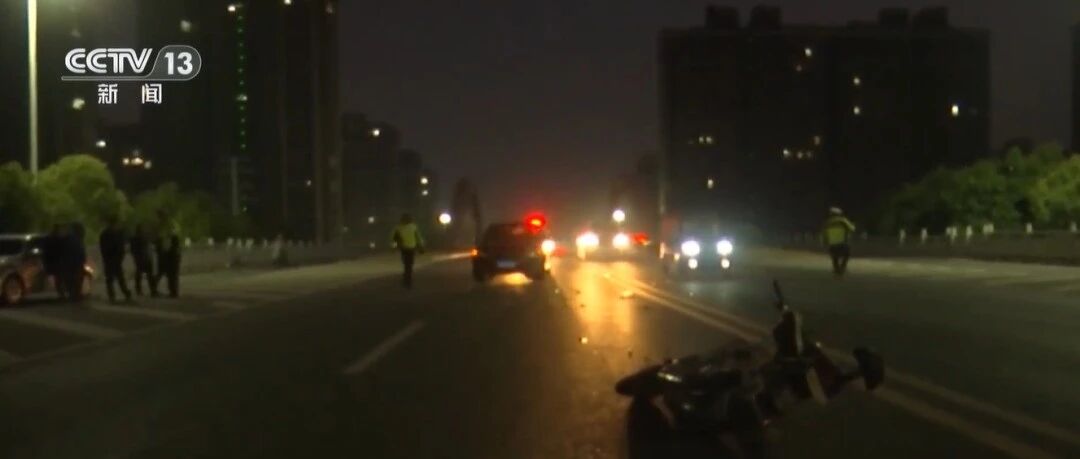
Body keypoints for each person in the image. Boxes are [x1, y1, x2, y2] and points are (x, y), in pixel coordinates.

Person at [99, 217, 132, 303]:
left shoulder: (116, 233)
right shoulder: (107, 234)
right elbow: (105, 248)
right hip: (111, 259)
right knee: (112, 278)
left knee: (117, 278)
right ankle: (115, 295)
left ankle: (123, 294)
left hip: (115, 259)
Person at [391, 213, 425, 289]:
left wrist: (393, 247)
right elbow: (418, 237)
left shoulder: (398, 228)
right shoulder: (413, 227)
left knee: (406, 264)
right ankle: (408, 278)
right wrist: (421, 247)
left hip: (404, 248)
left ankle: (406, 278)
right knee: (409, 264)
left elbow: (394, 239)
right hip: (411, 248)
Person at [153, 212, 182, 297]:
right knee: (172, 275)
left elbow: (165, 244)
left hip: (168, 256)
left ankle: (172, 291)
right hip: (170, 256)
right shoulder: (168, 227)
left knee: (169, 275)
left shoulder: (165, 228)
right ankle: (173, 291)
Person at [821, 207, 856, 276]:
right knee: (847, 255)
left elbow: (824, 233)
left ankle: (836, 270)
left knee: (834, 257)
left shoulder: (828, 222)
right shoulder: (842, 220)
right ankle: (842, 268)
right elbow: (852, 229)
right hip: (842, 242)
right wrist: (853, 225)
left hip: (832, 242)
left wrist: (824, 242)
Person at [61, 223, 88, 302]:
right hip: (73, 262)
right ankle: (75, 294)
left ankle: (74, 294)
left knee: (74, 279)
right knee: (75, 279)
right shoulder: (74, 239)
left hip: (73, 262)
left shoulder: (73, 238)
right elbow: (79, 251)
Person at [129, 224, 156, 297]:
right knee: (147, 275)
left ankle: (141, 290)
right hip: (144, 258)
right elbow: (145, 248)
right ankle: (152, 290)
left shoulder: (136, 238)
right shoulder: (142, 238)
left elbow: (133, 250)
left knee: (140, 275)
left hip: (141, 258)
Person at [43, 224, 68, 299]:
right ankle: (61, 293)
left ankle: (61, 293)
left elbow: (46, 251)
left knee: (59, 278)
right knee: (59, 277)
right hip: (57, 261)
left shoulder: (51, 239)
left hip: (55, 260)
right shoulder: (59, 239)